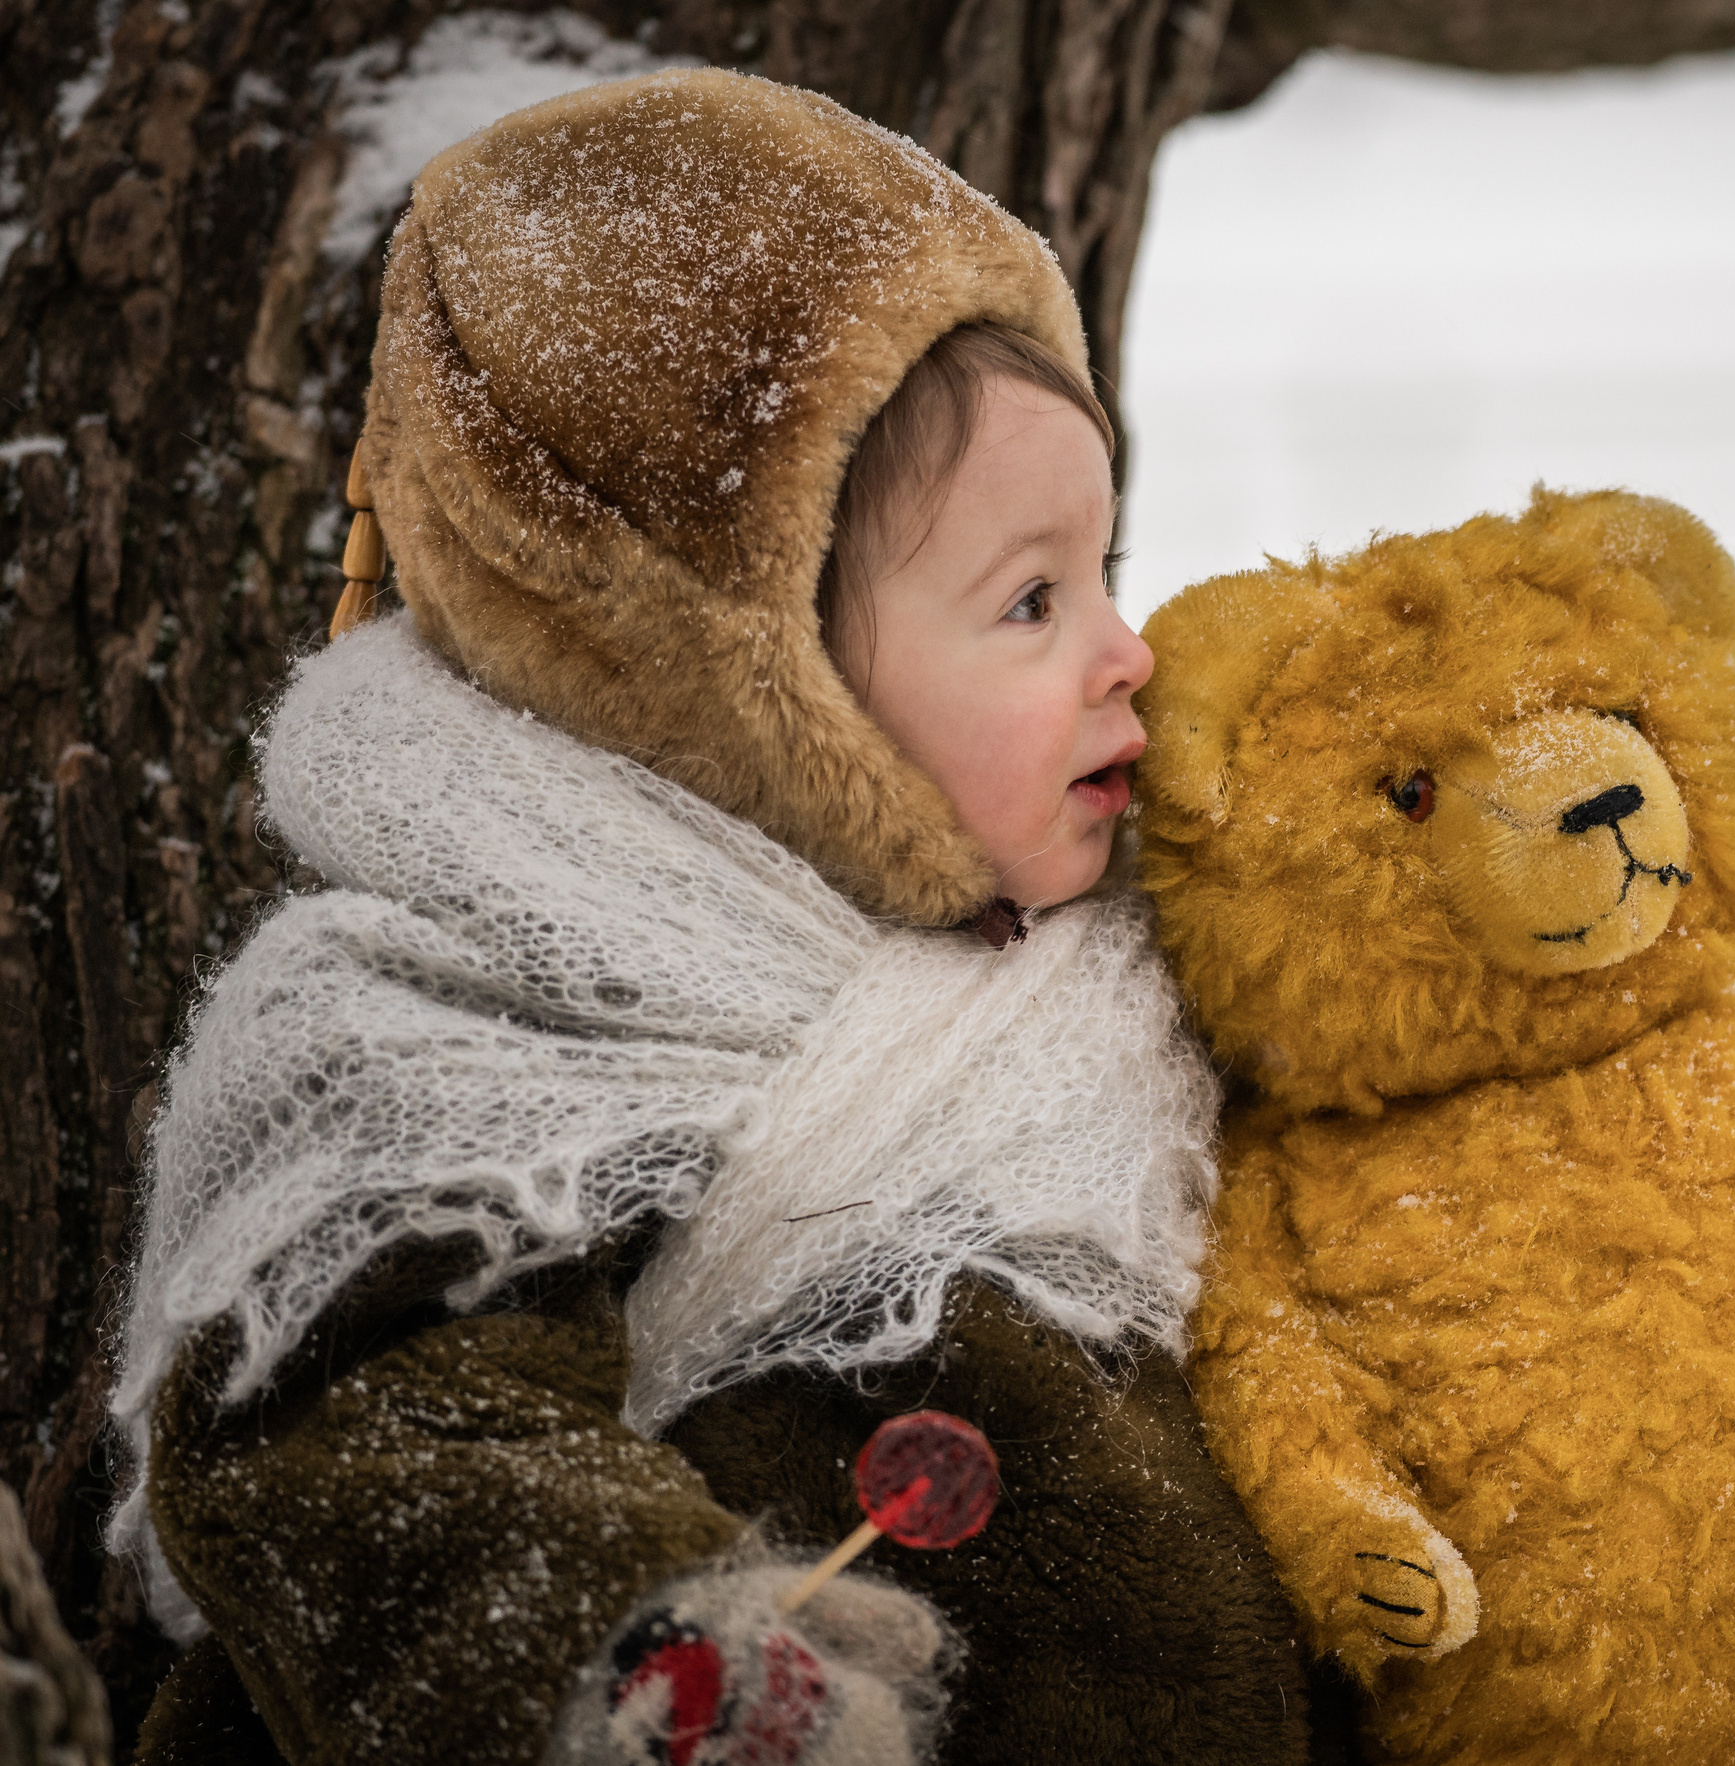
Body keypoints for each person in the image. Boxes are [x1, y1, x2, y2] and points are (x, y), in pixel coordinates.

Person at [110, 68, 1331, 1766]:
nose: (1128, 651)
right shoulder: (455, 1020)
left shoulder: (1128, 983)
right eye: (1034, 600)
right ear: (750, 692)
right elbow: (369, 1439)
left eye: (1111, 572)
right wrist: (667, 1679)